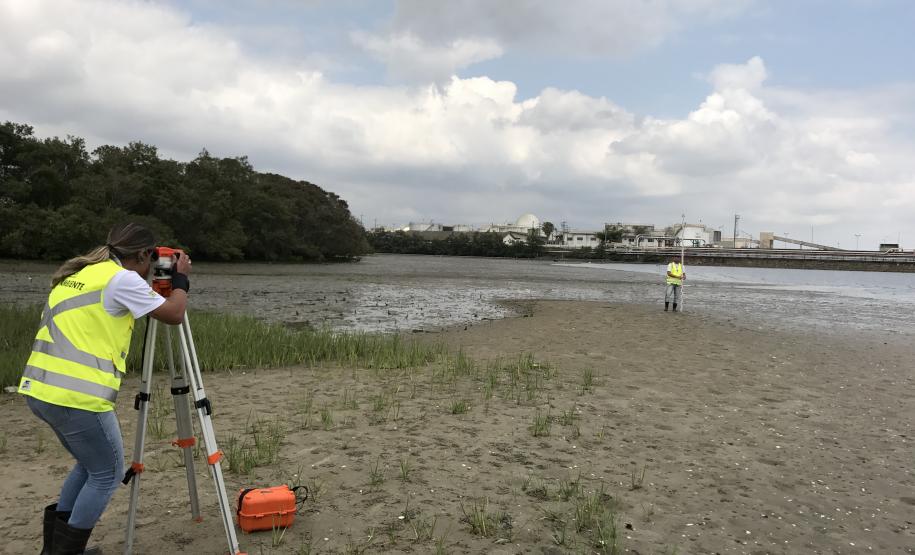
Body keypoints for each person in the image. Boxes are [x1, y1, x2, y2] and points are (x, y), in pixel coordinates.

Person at [17, 223, 191, 554]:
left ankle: (54, 550)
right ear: (142, 255)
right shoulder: (121, 278)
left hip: (41, 391)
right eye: (150, 258)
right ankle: (67, 552)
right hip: (76, 398)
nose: (151, 265)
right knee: (107, 475)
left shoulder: (83, 274)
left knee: (89, 465)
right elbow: (174, 313)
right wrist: (180, 280)